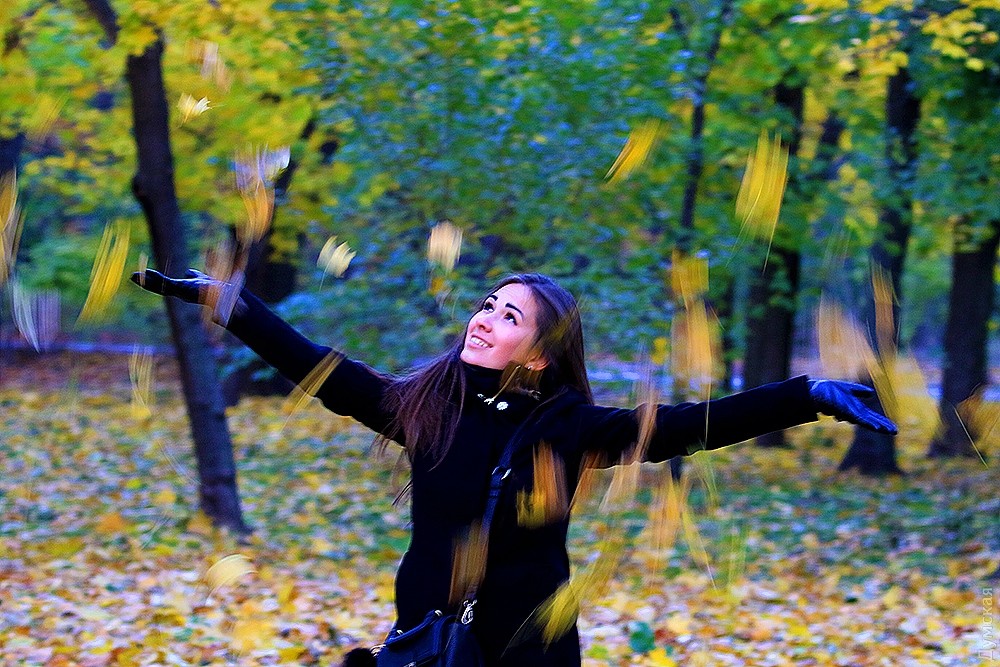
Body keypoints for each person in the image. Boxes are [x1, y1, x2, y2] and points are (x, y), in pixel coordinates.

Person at [131, 269, 896, 667]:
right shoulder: (421, 405)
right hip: (430, 639)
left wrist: (805, 396)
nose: (484, 318)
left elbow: (680, 428)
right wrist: (229, 303)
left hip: (529, 646)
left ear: (537, 354)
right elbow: (320, 368)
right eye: (487, 304)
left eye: (508, 316)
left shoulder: (570, 426)